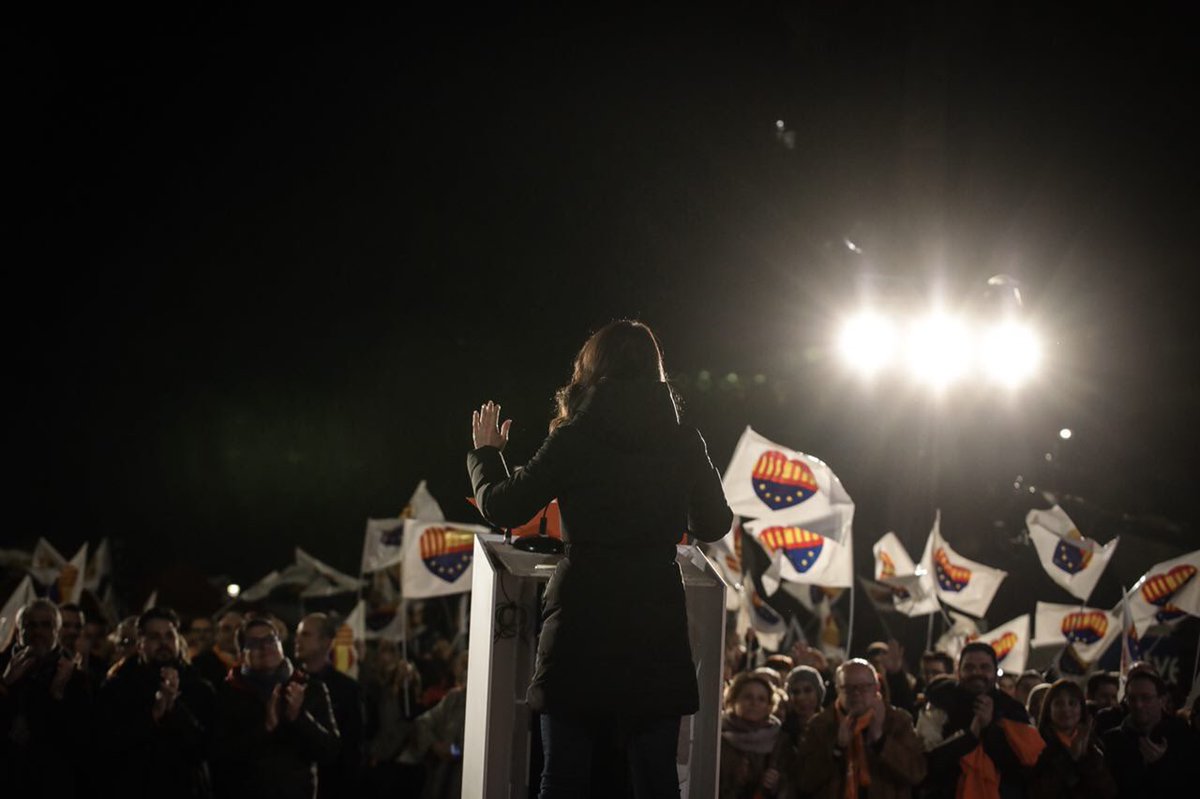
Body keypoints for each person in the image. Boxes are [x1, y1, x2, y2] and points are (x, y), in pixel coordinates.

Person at [466, 319, 733, 799]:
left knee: (563, 780)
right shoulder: (683, 440)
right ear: (656, 371)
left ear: (590, 370)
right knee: (656, 782)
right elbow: (714, 524)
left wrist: (486, 455)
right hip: (655, 626)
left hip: (581, 626)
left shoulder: (576, 437)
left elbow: (504, 506)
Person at [210, 616, 340, 799]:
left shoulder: (310, 689)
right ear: (241, 654)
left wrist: (298, 717)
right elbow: (219, 756)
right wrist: (266, 727)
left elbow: (329, 750)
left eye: (271, 639)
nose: (265, 647)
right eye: (254, 642)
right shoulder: (228, 693)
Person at [96, 606, 216, 797]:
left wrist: (175, 708)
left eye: (169, 636)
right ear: (140, 643)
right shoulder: (117, 687)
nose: (163, 643)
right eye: (154, 637)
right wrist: (154, 714)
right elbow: (107, 746)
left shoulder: (199, 688)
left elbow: (205, 747)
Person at [917, 642, 1044, 799]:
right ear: (959, 672)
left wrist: (990, 729)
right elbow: (926, 765)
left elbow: (1026, 768)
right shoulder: (939, 705)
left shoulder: (1012, 710)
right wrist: (971, 735)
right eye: (969, 668)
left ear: (995, 671)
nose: (977, 673)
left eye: (984, 667)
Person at [0, 598, 91, 797]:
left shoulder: (75, 679)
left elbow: (80, 742)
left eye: (46, 625)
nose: (38, 632)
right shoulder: (2, 669)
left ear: (56, 631)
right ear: (19, 631)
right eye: (31, 625)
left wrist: (57, 695)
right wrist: (5, 685)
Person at [795, 659, 925, 799]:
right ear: (838, 689)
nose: (856, 693)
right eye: (848, 688)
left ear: (876, 688)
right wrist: (837, 748)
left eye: (864, 687)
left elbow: (916, 773)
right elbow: (804, 781)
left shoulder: (897, 721)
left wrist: (880, 741)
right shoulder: (820, 725)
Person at [294, 612, 365, 799]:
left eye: (306, 635)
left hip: (333, 784)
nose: (298, 640)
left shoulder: (347, 689)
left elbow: (352, 744)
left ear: (326, 641)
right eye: (298, 634)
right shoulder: (289, 683)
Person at [1100, 668, 1200, 797]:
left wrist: (1162, 764)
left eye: (1146, 698)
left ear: (1162, 700)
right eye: (1132, 698)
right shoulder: (1112, 740)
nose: (1138, 705)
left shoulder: (1181, 734)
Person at [1027, 679, 1116, 799]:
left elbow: (1108, 791)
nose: (1066, 709)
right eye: (1058, 704)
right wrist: (1070, 759)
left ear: (1081, 708)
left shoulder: (1094, 744)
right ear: (1049, 709)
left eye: (1072, 703)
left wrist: (1085, 757)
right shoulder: (1036, 744)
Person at [719, 670, 796, 799]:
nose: (754, 703)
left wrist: (776, 784)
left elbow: (793, 785)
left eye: (761, 699)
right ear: (733, 700)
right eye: (748, 697)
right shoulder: (719, 737)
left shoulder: (780, 741)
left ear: (769, 706)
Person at [193, 610, 242, 688]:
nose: (234, 634)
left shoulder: (253, 663)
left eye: (239, 629)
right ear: (216, 633)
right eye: (226, 629)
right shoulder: (201, 663)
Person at [780, 665, 824, 748]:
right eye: (795, 692)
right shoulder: (782, 730)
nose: (801, 697)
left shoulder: (830, 727)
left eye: (808, 690)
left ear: (818, 693)